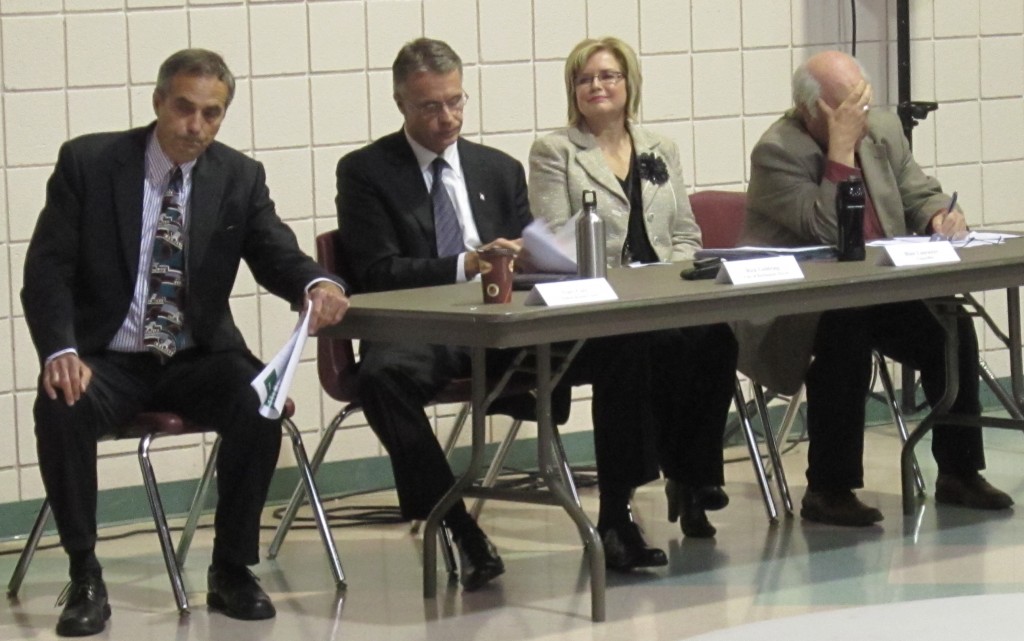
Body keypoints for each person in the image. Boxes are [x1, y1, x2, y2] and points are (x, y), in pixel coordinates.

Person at [21, 49, 349, 637]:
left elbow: (275, 251)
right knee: (60, 403)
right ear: (158, 103)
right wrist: (59, 351)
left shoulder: (238, 177)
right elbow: (47, 270)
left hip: (196, 356)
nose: (195, 126)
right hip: (107, 358)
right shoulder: (89, 164)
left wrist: (317, 282)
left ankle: (230, 569)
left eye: (211, 114)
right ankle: (85, 572)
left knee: (258, 402)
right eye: (184, 109)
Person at [336, 37, 688, 581]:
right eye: (430, 106)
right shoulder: (365, 171)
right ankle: (458, 526)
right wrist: (467, 263)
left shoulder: (494, 169)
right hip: (425, 330)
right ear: (401, 103)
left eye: (455, 101)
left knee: (626, 338)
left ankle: (616, 518)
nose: (446, 117)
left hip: (510, 327)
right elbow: (377, 271)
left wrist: (545, 258)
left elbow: (536, 253)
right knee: (381, 378)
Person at [736, 50, 1013, 527]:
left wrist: (938, 216)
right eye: (847, 108)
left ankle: (959, 471)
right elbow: (828, 230)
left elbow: (917, 189)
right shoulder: (777, 152)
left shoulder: (881, 131)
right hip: (800, 309)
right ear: (811, 110)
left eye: (865, 102)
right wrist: (840, 155)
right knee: (846, 329)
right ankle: (829, 488)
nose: (861, 117)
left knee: (951, 324)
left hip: (878, 289)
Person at [528, 37, 737, 543]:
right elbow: (557, 236)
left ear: (629, 84)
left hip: (664, 293)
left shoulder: (660, 148)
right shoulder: (555, 151)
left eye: (607, 76)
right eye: (584, 79)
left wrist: (673, 276)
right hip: (602, 305)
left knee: (717, 338)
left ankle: (692, 478)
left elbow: (685, 231)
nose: (596, 86)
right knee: (648, 347)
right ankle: (621, 505)